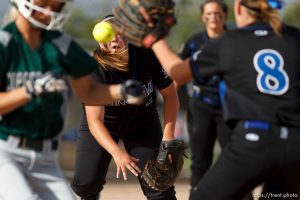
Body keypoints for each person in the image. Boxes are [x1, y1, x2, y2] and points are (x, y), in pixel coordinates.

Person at [134, 0, 300, 199]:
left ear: (238, 7)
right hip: (295, 146)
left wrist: (154, 37)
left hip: (255, 143)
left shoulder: (229, 42)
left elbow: (177, 72)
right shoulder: (295, 37)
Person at [0, 1, 143, 200]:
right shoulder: (4, 43)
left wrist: (123, 90)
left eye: (56, 6)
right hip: (7, 154)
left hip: (46, 159)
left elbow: (89, 91)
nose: (50, 11)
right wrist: (29, 90)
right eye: (44, 3)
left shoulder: (60, 43)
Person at [71, 15, 179, 200]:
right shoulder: (93, 68)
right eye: (108, 35)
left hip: (142, 124)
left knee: (159, 185)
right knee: (86, 183)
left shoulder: (146, 55)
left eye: (119, 33)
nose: (114, 39)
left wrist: (168, 138)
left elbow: (170, 96)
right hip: (105, 125)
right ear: (100, 41)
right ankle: (92, 191)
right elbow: (94, 121)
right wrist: (116, 152)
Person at [178, 0, 233, 190]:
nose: (213, 17)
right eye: (208, 14)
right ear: (203, 17)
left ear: (225, 16)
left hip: (230, 108)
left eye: (217, 13)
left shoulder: (236, 40)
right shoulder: (194, 43)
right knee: (200, 161)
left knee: (235, 160)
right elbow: (176, 75)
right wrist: (186, 105)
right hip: (201, 106)